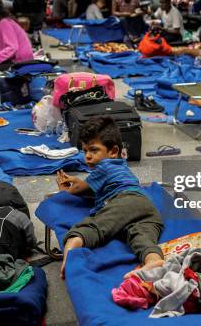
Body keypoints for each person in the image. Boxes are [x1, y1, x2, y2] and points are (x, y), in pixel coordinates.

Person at [56, 116, 164, 279]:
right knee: (141, 236)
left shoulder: (104, 167)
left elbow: (80, 189)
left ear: (113, 151)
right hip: (147, 207)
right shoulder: (119, 166)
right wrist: (79, 183)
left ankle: (71, 256)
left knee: (95, 226)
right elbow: (91, 187)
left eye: (94, 150)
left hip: (124, 200)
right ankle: (153, 261)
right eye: (85, 151)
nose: (87, 157)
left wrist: (66, 190)